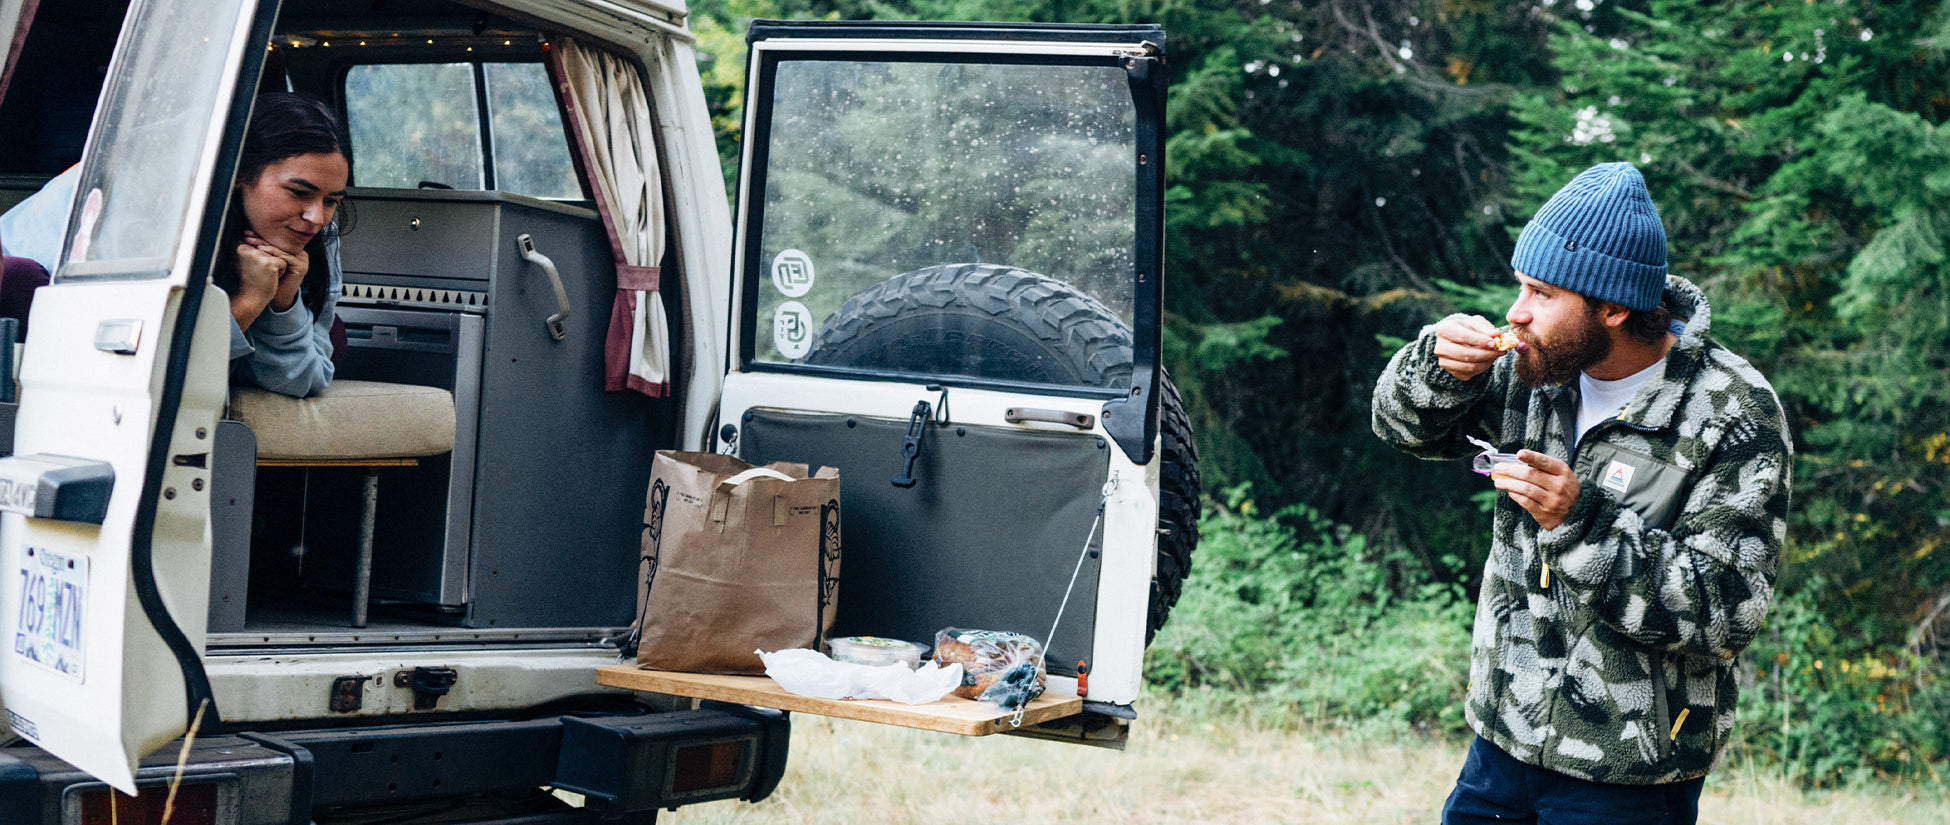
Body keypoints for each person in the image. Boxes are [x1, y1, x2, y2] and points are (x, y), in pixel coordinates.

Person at [1370, 162, 1791, 824]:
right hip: (1500, 747)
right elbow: (1404, 430)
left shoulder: (1731, 409)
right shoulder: (1530, 367)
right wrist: (1434, 369)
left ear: (1612, 307)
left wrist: (1580, 521)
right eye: (1520, 286)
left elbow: (1724, 612)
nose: (1516, 312)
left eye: (1541, 292)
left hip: (1629, 776)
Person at [0, 91, 346, 397]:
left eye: (331, 200)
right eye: (298, 193)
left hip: (180, 345)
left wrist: (283, 303)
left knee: (334, 333)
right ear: (239, 173)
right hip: (43, 306)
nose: (317, 216)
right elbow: (130, 362)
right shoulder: (152, 202)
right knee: (19, 279)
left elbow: (305, 380)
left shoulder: (311, 237)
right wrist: (251, 301)